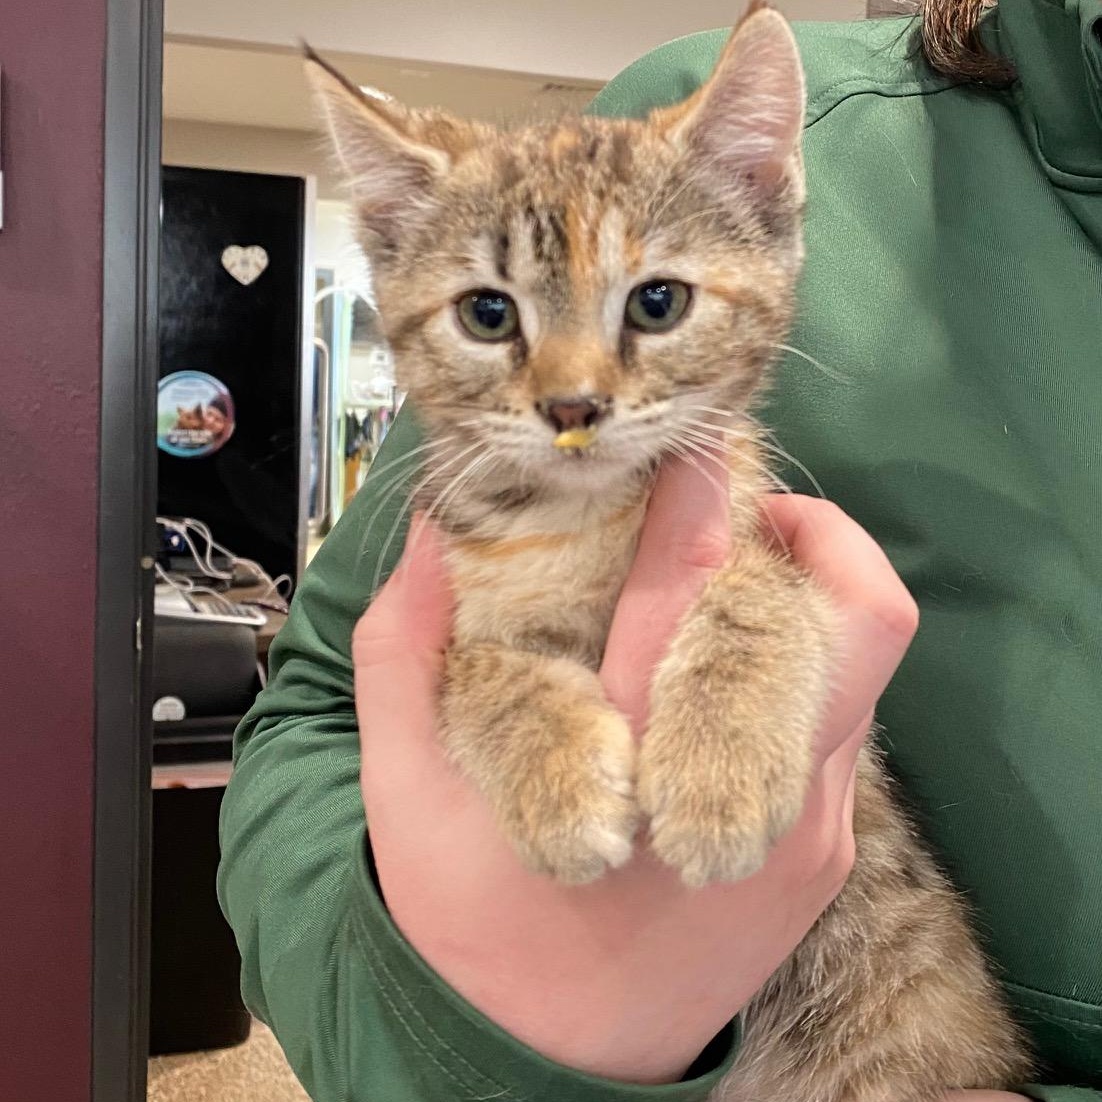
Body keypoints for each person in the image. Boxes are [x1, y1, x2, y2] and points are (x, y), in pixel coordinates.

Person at [217, 1, 1102, 1099]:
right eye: (490, 315)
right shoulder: (451, 514)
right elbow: (339, 713)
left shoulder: (722, 477)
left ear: (768, 208)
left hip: (891, 1043)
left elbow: (756, 585)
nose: (574, 393)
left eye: (658, 301)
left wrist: (741, 651)